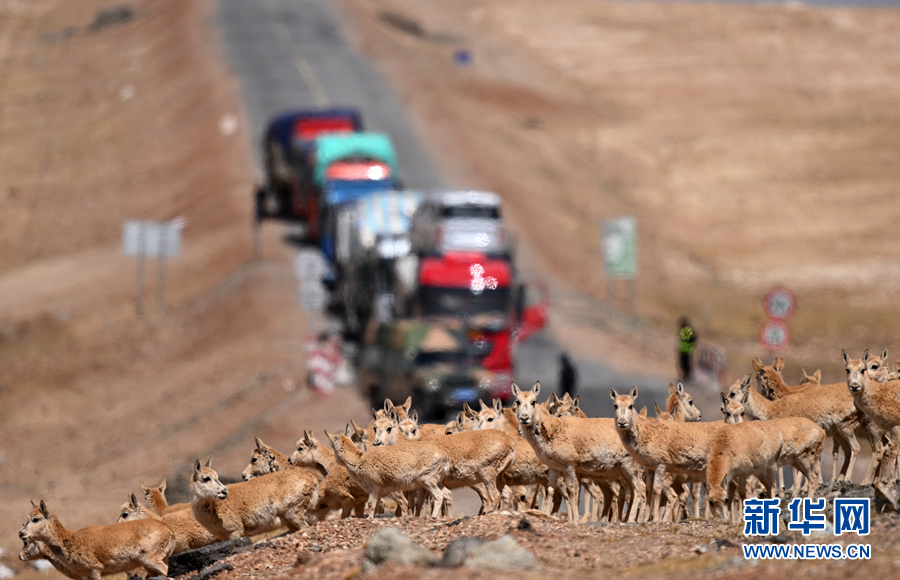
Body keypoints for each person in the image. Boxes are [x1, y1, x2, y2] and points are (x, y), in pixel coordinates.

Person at [678, 317, 697, 382]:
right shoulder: (682, 330)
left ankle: (687, 376)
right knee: (682, 363)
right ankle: (685, 375)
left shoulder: (688, 330)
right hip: (683, 348)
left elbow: (693, 338)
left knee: (686, 363)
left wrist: (691, 345)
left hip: (687, 349)